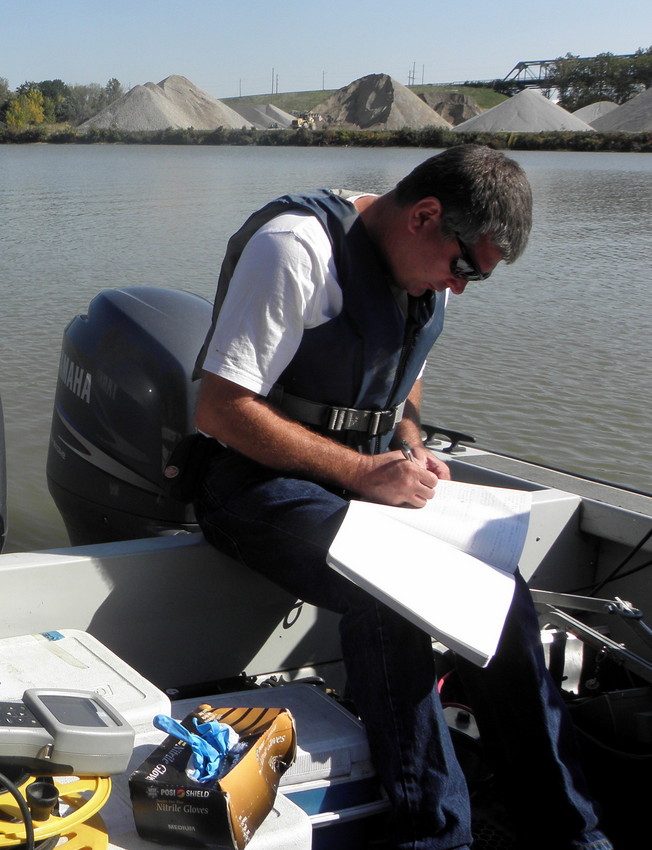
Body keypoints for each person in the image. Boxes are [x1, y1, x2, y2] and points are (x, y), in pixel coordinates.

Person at [192, 145, 613, 850]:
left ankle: (571, 830)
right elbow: (221, 408)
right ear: (425, 216)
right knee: (388, 592)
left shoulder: (427, 267)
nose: (462, 288)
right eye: (465, 268)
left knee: (499, 588)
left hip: (361, 480)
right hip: (251, 482)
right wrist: (362, 474)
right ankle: (435, 835)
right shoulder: (295, 250)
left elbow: (405, 365)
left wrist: (409, 439)